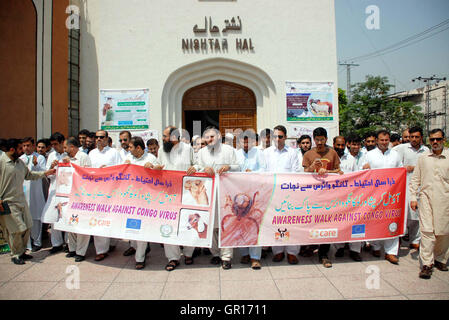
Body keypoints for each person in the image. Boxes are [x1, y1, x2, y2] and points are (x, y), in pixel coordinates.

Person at [0, 139, 55, 265]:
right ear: (13, 149)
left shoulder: (19, 163)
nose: (23, 150)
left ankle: (22, 252)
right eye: (20, 148)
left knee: (28, 226)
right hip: (7, 202)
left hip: (21, 200)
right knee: (17, 229)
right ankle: (15, 254)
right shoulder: (2, 161)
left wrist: (46, 173)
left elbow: (30, 175)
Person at [152, 126, 198, 271]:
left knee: (189, 222)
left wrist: (195, 168)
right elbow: (158, 165)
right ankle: (173, 257)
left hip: (186, 193)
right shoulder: (161, 150)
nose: (163, 139)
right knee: (168, 224)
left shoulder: (187, 148)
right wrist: (155, 167)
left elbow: (197, 164)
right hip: (167, 193)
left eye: (165, 136)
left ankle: (189, 253)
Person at [196, 126, 240, 270]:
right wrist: (204, 169)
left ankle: (226, 257)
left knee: (225, 225)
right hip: (208, 193)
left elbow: (238, 167)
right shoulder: (202, 152)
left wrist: (228, 167)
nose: (210, 139)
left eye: (212, 137)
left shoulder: (229, 150)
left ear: (219, 136)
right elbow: (197, 167)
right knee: (210, 225)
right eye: (207, 137)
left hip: (226, 192)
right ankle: (215, 253)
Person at [409, 129, 449, 279]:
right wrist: (413, 197)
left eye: (438, 139)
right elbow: (415, 179)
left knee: (443, 232)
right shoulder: (423, 158)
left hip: (445, 200)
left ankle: (440, 259)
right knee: (427, 231)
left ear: (443, 140)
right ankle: (427, 264)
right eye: (432, 139)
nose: (435, 142)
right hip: (425, 199)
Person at [362, 130, 403, 264]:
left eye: (386, 140)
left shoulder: (395, 155)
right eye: (381, 140)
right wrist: (365, 168)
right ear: (377, 141)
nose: (384, 143)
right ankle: (375, 246)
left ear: (389, 140)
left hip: (392, 194)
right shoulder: (369, 155)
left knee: (392, 220)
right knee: (375, 220)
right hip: (375, 194)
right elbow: (362, 173)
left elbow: (400, 172)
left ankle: (391, 252)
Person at [303, 127, 341, 268]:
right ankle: (309, 247)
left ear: (326, 139)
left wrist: (328, 171)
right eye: (317, 139)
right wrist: (312, 166)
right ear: (314, 139)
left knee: (326, 223)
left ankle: (324, 255)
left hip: (328, 195)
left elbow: (339, 170)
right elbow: (303, 173)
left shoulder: (332, 153)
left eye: (322, 139)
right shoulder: (308, 154)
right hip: (312, 195)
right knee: (311, 221)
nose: (319, 142)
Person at [264, 125, 301, 265]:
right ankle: (278, 251)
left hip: (289, 194)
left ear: (285, 137)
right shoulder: (266, 153)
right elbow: (263, 172)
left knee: (291, 222)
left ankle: (292, 252)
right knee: (275, 222)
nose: (277, 139)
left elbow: (296, 172)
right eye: (275, 137)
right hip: (272, 194)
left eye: (280, 136)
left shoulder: (293, 153)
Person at [123, 136, 157, 269]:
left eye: (130, 147)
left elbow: (160, 175)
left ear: (138, 148)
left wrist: (153, 168)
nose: (128, 149)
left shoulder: (151, 159)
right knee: (132, 226)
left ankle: (140, 258)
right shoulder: (129, 159)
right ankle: (135, 247)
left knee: (141, 228)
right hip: (130, 199)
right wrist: (124, 167)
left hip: (145, 200)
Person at [393, 126, 429, 250]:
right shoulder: (402, 148)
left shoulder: (426, 150)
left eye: (416, 137)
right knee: (405, 213)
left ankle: (415, 240)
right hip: (405, 186)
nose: (413, 139)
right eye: (411, 137)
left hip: (421, 186)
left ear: (421, 138)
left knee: (418, 215)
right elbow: (396, 163)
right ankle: (399, 238)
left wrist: (414, 168)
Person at [88, 130, 122, 261]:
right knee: (98, 218)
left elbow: (120, 170)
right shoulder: (92, 153)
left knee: (110, 217)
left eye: (101, 137)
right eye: (96, 137)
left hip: (110, 190)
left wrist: (107, 171)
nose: (98, 139)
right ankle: (101, 250)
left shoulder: (114, 153)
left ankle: (111, 243)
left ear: (107, 139)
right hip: (95, 191)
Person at [235, 130, 266, 269]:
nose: (246, 144)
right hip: (238, 193)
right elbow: (232, 170)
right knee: (240, 224)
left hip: (255, 193)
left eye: (248, 141)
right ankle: (244, 253)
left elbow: (264, 170)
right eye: (243, 141)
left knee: (254, 224)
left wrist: (252, 173)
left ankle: (255, 257)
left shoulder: (259, 153)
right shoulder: (235, 154)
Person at [332, 136, 363, 261]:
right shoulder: (329, 158)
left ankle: (355, 250)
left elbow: (357, 177)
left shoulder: (351, 159)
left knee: (355, 222)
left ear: (346, 145)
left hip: (351, 196)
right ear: (333, 144)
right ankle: (339, 247)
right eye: (337, 145)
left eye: (342, 145)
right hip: (334, 198)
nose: (340, 147)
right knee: (338, 222)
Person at [62, 137, 92, 262]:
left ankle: (81, 252)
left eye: (65, 147)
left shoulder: (83, 157)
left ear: (72, 147)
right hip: (69, 193)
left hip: (82, 195)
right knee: (71, 222)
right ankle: (72, 249)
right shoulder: (65, 158)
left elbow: (87, 174)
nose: (64, 150)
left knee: (82, 223)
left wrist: (71, 165)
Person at [42, 132, 68, 254]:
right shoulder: (51, 155)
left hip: (67, 189)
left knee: (67, 215)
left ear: (63, 142)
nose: (54, 147)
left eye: (56, 144)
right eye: (52, 145)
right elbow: (47, 173)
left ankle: (68, 243)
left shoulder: (68, 153)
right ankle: (56, 243)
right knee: (53, 217)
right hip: (54, 188)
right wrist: (51, 169)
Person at [19, 137, 47, 252]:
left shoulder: (39, 158)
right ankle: (27, 243)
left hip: (35, 192)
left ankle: (37, 242)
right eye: (24, 146)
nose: (26, 148)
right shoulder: (20, 158)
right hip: (24, 191)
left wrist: (36, 165)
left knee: (36, 217)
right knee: (24, 217)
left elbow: (44, 172)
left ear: (33, 146)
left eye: (28, 145)